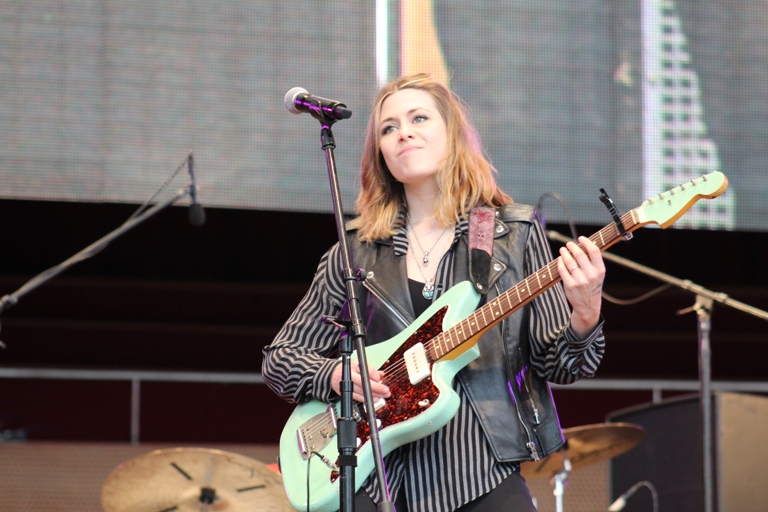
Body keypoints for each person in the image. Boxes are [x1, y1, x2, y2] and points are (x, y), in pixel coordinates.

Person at [262, 73, 606, 512]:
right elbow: (281, 358)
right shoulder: (353, 253)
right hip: (379, 480)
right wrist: (335, 375)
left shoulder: (512, 234)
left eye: (419, 118)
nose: (403, 132)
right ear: (381, 153)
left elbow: (560, 365)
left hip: (480, 470)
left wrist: (585, 312)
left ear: (453, 135)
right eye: (389, 128)